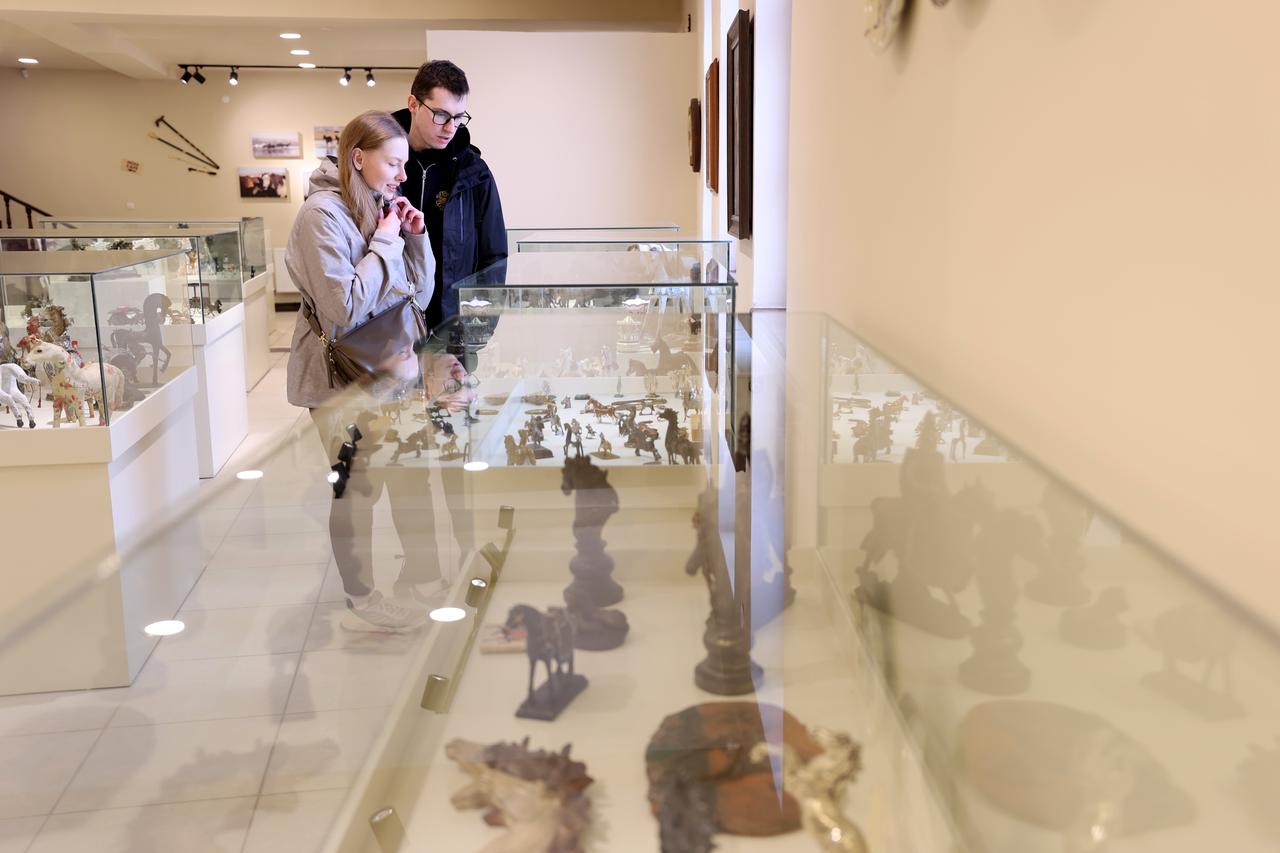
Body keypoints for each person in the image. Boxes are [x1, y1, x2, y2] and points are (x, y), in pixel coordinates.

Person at [285, 110, 444, 633]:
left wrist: (413, 238)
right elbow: (345, 308)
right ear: (359, 158)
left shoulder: (377, 208)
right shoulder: (321, 216)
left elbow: (417, 296)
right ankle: (359, 600)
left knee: (403, 475)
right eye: (393, 163)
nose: (402, 175)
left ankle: (415, 580)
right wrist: (385, 242)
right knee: (356, 488)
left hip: (387, 369)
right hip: (339, 377)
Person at [392, 59, 508, 334]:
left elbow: (493, 258)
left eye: (459, 117)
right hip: (390, 331)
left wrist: (480, 330)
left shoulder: (474, 173)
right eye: (441, 115)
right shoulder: (380, 163)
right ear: (413, 105)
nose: (450, 127)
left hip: (452, 332)